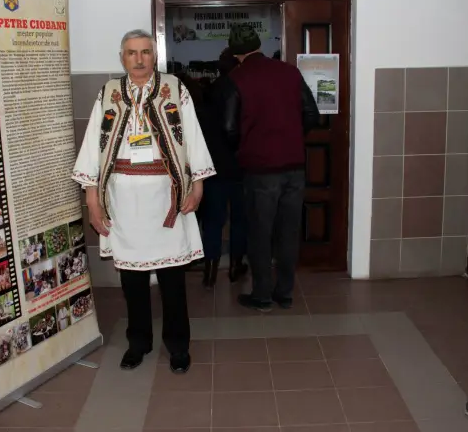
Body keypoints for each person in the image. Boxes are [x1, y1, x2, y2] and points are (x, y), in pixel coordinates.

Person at [72, 29, 216, 373]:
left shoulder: (174, 90)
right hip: (123, 202)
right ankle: (138, 342)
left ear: (155, 56)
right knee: (132, 280)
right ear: (122, 57)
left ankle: (178, 346)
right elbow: (94, 146)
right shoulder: (108, 93)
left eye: (145, 52)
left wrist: (197, 186)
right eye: (131, 53)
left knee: (172, 279)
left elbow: (193, 137)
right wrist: (93, 200)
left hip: (168, 197)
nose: (139, 59)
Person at [222, 23, 319, 312]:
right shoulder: (289, 72)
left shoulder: (236, 79)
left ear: (235, 53)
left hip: (260, 170)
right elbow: (311, 114)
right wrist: (291, 138)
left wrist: (246, 147)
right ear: (258, 45)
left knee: (260, 233)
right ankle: (285, 293)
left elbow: (228, 128)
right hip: (294, 167)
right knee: (288, 232)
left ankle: (262, 294)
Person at [199, 48, 248, 288]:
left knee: (213, 221)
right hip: (239, 167)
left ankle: (209, 273)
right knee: (240, 219)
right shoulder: (242, 91)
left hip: (213, 168)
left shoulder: (207, 93)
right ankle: (235, 267)